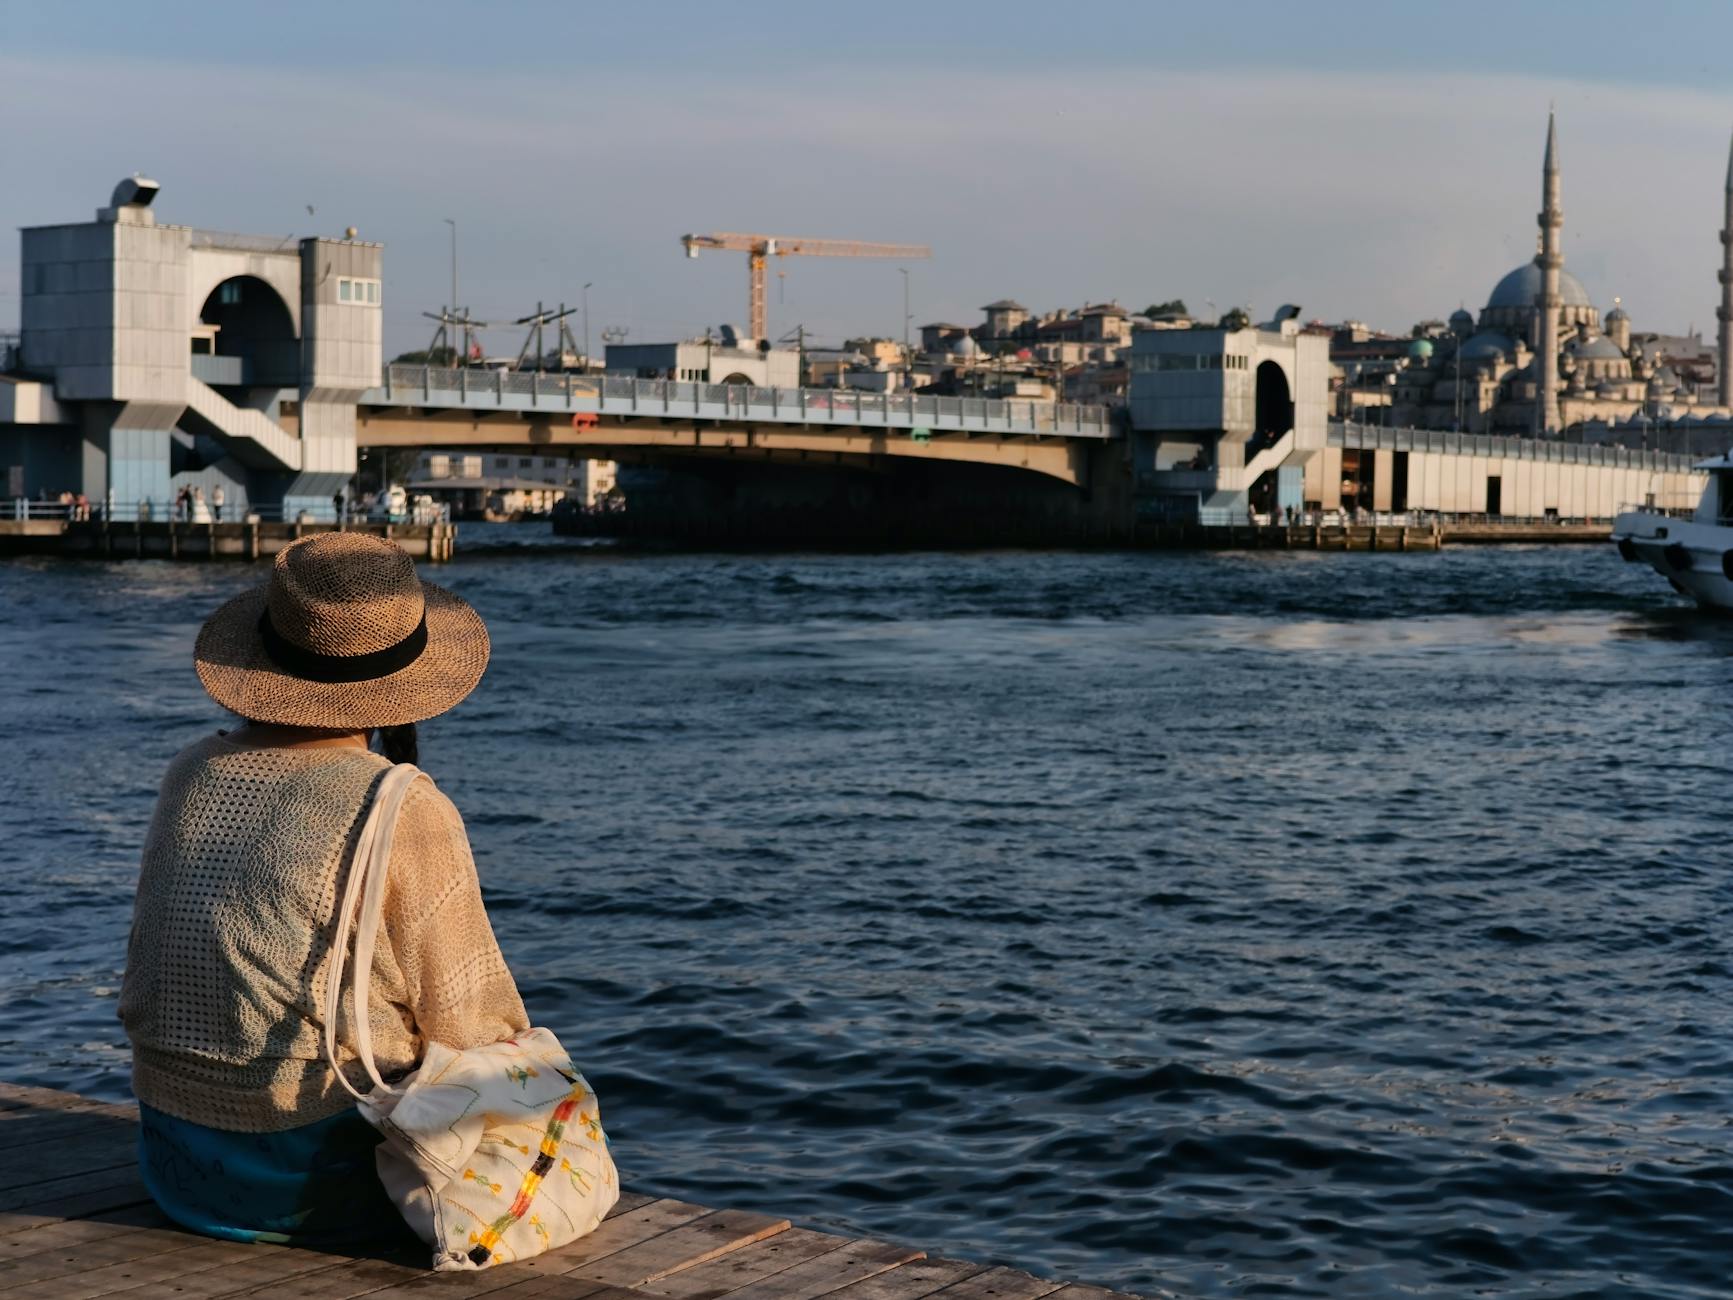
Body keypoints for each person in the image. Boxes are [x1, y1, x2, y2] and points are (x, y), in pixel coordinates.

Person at [118, 532, 524, 1247]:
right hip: (319, 1179)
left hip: (177, 1160)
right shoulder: (401, 804)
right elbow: (472, 1023)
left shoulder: (190, 771)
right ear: (400, 688)